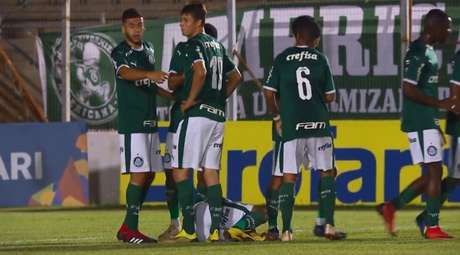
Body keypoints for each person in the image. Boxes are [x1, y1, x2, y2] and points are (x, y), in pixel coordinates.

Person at [263, 15, 345, 241]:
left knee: (288, 176)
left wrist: (278, 115)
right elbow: (330, 96)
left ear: (296, 35)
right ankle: (328, 225)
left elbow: (268, 92)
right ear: (313, 39)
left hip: (291, 126)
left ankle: (286, 230)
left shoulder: (282, 59)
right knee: (327, 172)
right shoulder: (320, 59)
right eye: (317, 39)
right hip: (318, 124)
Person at [376, 9, 456, 240]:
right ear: (433, 27)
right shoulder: (417, 51)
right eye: (446, 27)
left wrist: (435, 120)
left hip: (426, 119)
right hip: (419, 120)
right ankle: (431, 226)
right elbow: (408, 88)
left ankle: (390, 208)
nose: (448, 31)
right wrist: (439, 104)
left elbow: (421, 88)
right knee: (434, 171)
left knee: (431, 173)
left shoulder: (429, 51)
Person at [170, 3, 241, 242]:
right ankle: (217, 231)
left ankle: (189, 228)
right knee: (211, 173)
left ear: (198, 23)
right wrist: (219, 99)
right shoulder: (217, 46)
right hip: (217, 117)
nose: (182, 24)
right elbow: (237, 76)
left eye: (186, 20)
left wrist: (189, 101)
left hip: (197, 115)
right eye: (181, 20)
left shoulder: (190, 45)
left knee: (180, 169)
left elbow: (199, 72)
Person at [111, 8, 171, 244]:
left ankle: (127, 226)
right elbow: (125, 74)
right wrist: (151, 73)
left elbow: (149, 82)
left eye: (140, 25)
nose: (137, 29)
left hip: (150, 120)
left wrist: (171, 95)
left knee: (148, 175)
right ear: (124, 27)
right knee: (138, 174)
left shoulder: (149, 50)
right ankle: (130, 229)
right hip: (132, 122)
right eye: (132, 25)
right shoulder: (120, 52)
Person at [158, 22, 220, 242]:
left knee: (192, 172)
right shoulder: (190, 55)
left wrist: (189, 78)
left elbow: (186, 79)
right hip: (178, 122)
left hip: (193, 119)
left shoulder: (199, 56)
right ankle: (176, 222)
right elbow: (173, 87)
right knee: (172, 174)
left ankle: (192, 225)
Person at [195, 198, 267, 242]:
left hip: (200, 232)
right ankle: (238, 229)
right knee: (267, 211)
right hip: (207, 233)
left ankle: (240, 230)